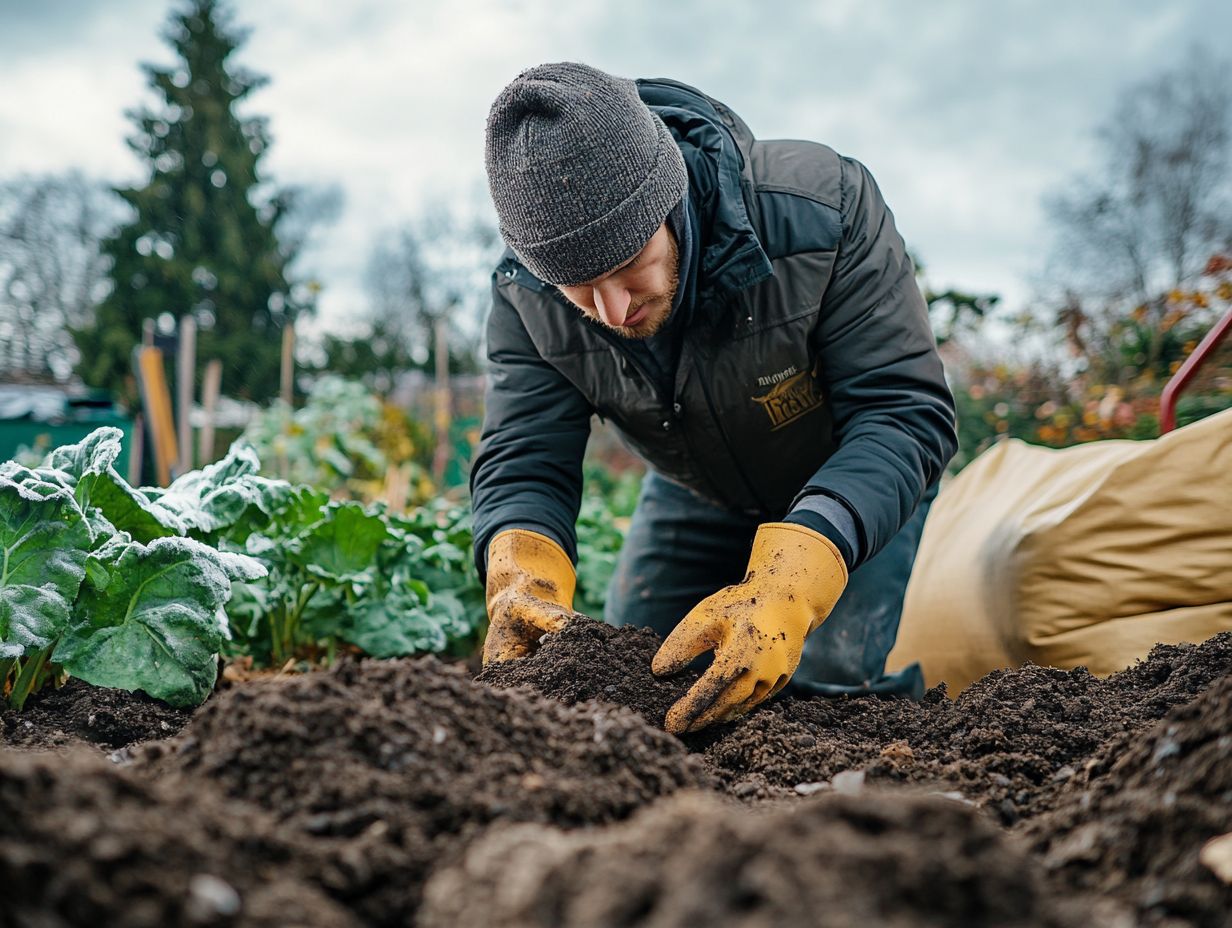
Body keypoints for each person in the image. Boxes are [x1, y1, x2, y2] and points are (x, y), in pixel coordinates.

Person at [472, 61, 957, 734]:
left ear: (668, 201)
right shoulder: (526, 298)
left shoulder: (822, 211)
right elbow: (526, 456)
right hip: (697, 494)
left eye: (627, 265)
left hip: (848, 479)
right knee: (632, 683)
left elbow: (905, 413)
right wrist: (521, 571)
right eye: (578, 285)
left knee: (820, 703)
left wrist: (795, 575)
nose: (611, 310)